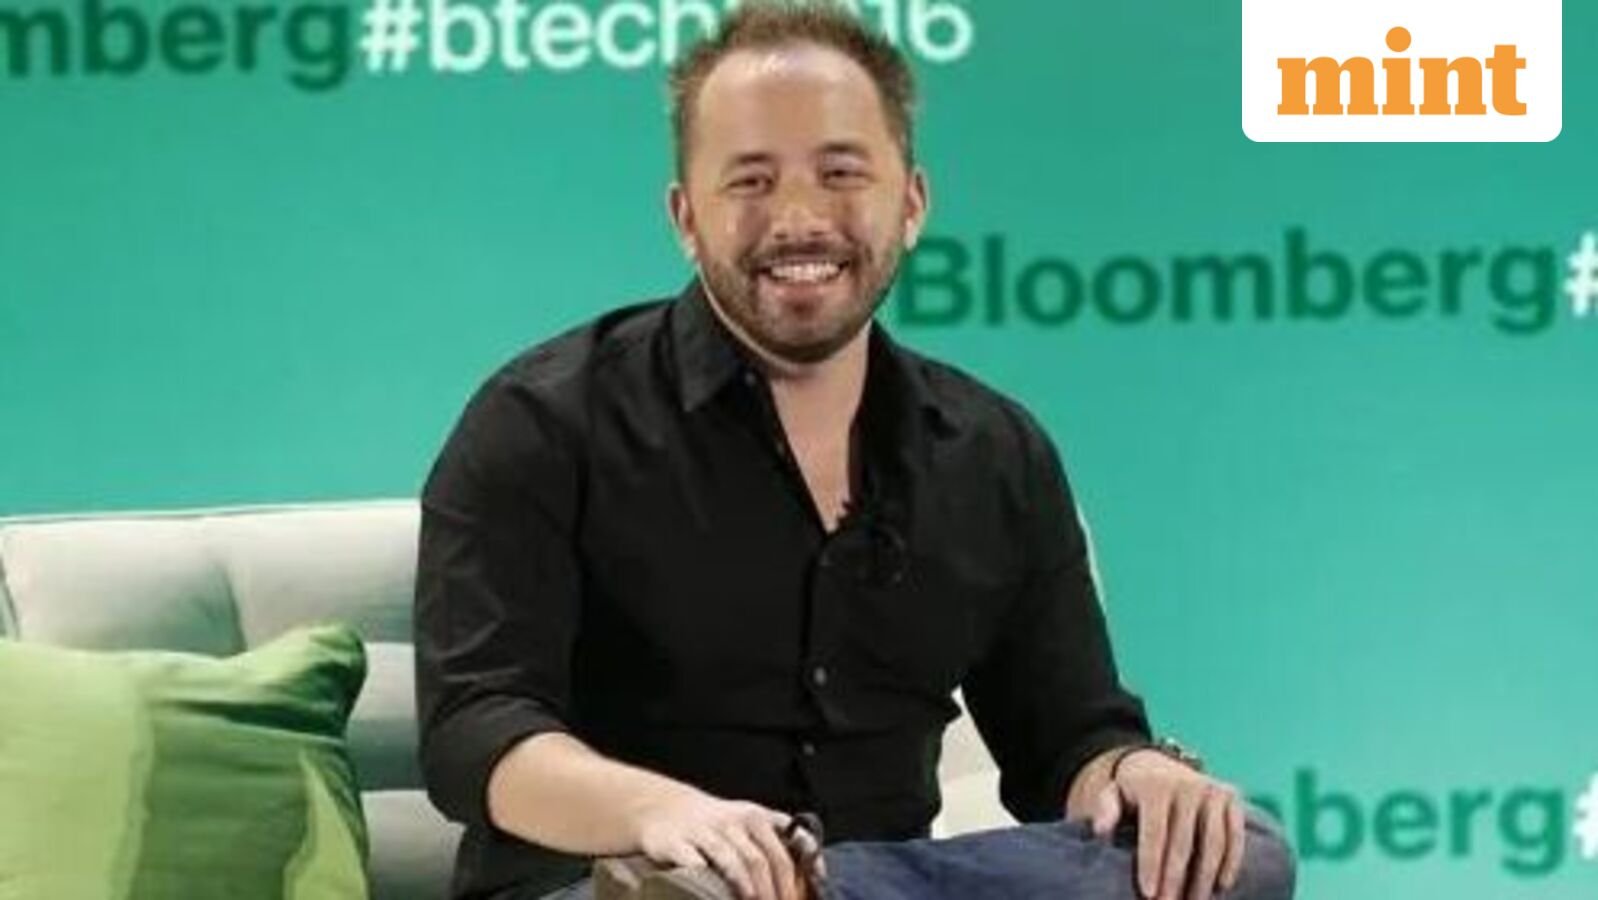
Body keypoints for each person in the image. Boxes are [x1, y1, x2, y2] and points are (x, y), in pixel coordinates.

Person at [414, 3, 1296, 900]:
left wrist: (1137, 777)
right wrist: (665, 819)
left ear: (910, 204)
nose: (799, 217)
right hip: (609, 883)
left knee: (1236, 851)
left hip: (885, 878)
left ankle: (823, 887)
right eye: (751, 181)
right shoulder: (542, 420)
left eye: (841, 173)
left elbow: (1066, 739)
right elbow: (475, 731)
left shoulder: (993, 452)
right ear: (686, 217)